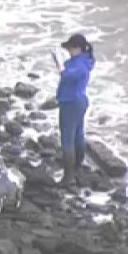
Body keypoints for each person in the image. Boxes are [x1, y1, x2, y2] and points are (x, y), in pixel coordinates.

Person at [55, 33, 95, 187]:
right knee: (78, 134)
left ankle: (68, 175)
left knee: (67, 138)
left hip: (70, 102)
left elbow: (66, 76)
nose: (69, 51)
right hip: (79, 101)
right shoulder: (84, 61)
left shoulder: (78, 66)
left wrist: (59, 66)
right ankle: (78, 165)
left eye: (71, 48)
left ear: (78, 48)